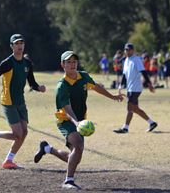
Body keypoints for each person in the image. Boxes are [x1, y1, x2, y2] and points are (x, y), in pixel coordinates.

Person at [33, 51, 124, 190]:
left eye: (74, 61)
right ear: (62, 65)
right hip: (66, 120)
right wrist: (77, 123)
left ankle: (48, 149)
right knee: (79, 146)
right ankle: (68, 181)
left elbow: (96, 87)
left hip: (80, 119)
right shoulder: (62, 86)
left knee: (75, 156)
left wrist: (112, 96)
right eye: (68, 62)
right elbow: (67, 109)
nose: (72, 64)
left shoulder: (83, 76)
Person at [0, 34, 46, 169]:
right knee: (18, 134)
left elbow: (32, 82)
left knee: (24, 133)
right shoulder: (8, 63)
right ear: (12, 46)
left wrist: (38, 87)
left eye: (21, 43)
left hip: (20, 102)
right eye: (16, 43)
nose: (20, 45)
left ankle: (8, 161)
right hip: (8, 102)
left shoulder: (27, 63)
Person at [113, 43, 158, 134]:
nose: (127, 51)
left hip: (136, 88)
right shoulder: (126, 61)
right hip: (130, 88)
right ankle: (152, 123)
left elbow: (144, 72)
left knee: (129, 107)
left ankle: (125, 128)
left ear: (133, 50)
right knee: (135, 109)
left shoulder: (136, 59)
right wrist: (120, 86)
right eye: (126, 50)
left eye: (129, 50)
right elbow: (124, 75)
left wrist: (149, 84)